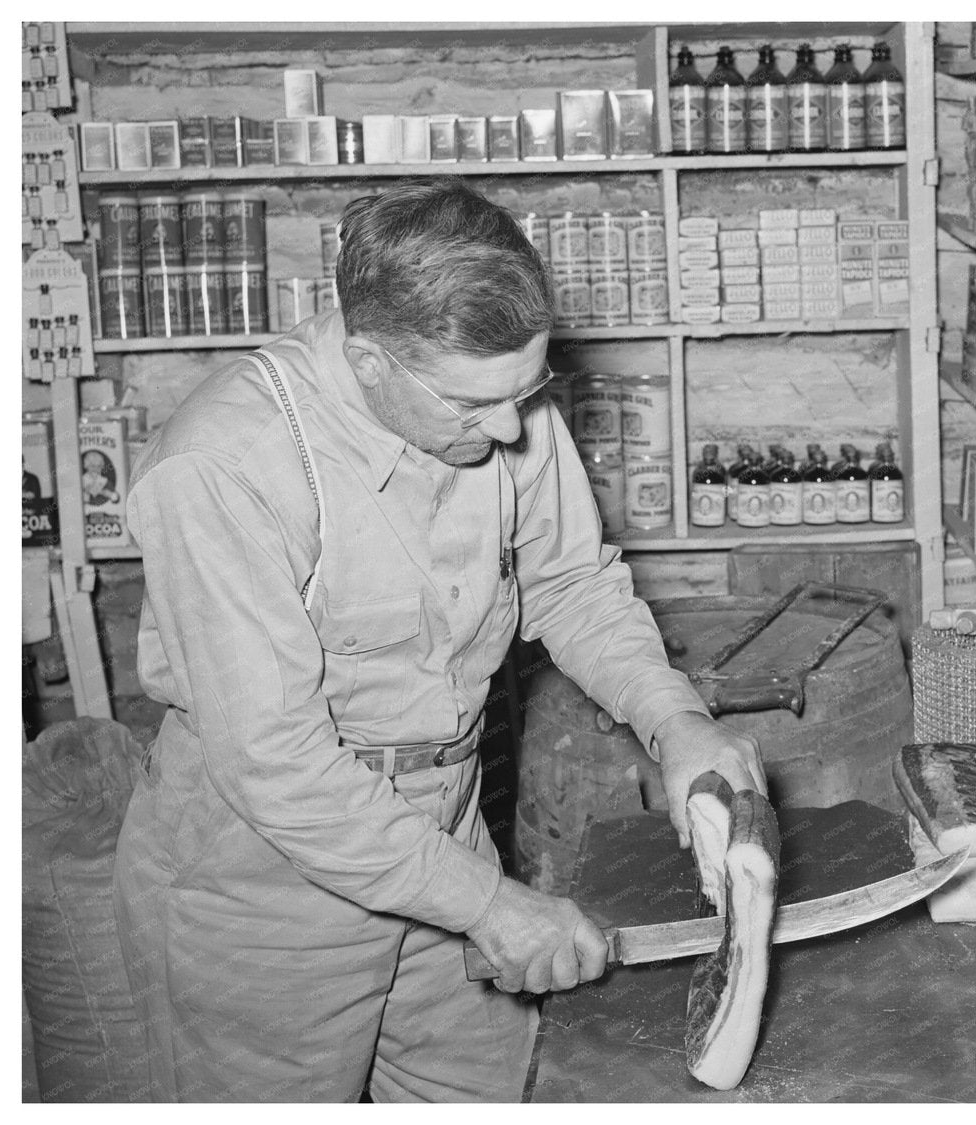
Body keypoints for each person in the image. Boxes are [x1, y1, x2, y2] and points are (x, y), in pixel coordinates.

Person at [113, 179, 768, 1103]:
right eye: (473, 407)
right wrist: (489, 904)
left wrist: (676, 722)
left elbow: (574, 584)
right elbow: (278, 763)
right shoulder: (224, 466)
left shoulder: (500, 397)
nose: (511, 429)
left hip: (445, 825)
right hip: (259, 879)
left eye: (525, 391)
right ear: (370, 359)